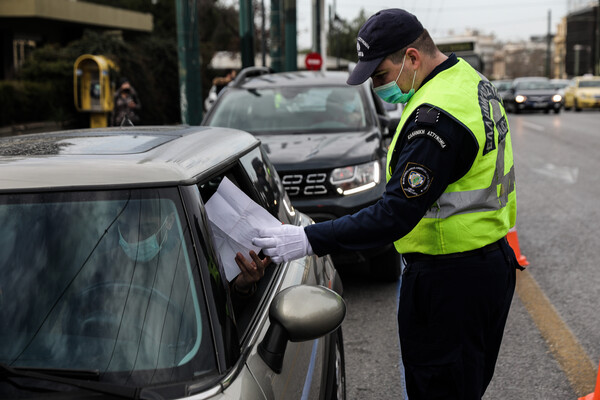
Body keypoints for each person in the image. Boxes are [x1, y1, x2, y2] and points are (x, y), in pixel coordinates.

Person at [252, 8, 522, 400]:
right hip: (482, 268)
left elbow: (393, 214)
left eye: (380, 75)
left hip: (451, 281)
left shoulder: (437, 119)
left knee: (439, 389)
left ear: (412, 57)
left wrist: (308, 239)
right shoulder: (467, 80)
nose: (379, 87)